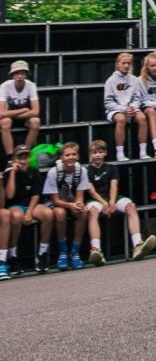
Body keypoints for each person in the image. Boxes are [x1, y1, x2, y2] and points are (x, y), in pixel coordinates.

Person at [84, 138, 156, 264]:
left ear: (105, 153)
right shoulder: (86, 171)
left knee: (130, 206)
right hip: (96, 200)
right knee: (93, 211)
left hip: (112, 198)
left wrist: (112, 202)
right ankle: (96, 250)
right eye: (94, 153)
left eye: (100, 152)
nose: (97, 155)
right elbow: (91, 191)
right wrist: (104, 204)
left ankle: (138, 245)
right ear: (90, 155)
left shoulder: (111, 168)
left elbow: (114, 186)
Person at [6, 145, 54, 273]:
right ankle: (12, 256)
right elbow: (9, 195)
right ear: (14, 159)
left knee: (48, 214)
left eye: (25, 157)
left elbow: (35, 195)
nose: (23, 161)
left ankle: (42, 254)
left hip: (31, 205)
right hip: (15, 206)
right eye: (19, 158)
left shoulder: (34, 171)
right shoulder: (8, 173)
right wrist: (12, 172)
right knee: (16, 216)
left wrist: (29, 212)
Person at [41, 142, 89, 270]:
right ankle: (63, 252)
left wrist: (78, 205)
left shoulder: (82, 171)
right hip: (56, 203)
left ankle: (75, 252)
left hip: (71, 201)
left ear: (78, 156)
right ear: (61, 157)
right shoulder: (53, 172)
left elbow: (80, 196)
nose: (71, 157)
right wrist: (70, 206)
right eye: (68, 155)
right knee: (60, 213)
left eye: (74, 154)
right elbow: (55, 200)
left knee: (83, 211)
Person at [104, 52, 148, 162]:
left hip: (131, 109)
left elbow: (137, 98)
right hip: (114, 110)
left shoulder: (134, 79)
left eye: (129, 63)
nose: (126, 66)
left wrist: (132, 107)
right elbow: (108, 102)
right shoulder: (110, 81)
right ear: (117, 64)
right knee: (121, 119)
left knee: (142, 118)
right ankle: (120, 154)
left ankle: (143, 152)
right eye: (124, 63)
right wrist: (124, 109)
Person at [0, 60, 41, 156]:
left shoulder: (31, 86)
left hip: (24, 119)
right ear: (12, 75)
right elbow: (2, 113)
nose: (19, 76)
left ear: (26, 75)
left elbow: (35, 111)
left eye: (22, 73)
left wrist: (11, 114)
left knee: (36, 121)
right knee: (5, 122)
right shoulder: (4, 86)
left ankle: (25, 154)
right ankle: (10, 158)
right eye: (17, 73)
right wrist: (23, 110)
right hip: (10, 119)